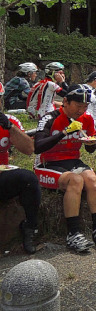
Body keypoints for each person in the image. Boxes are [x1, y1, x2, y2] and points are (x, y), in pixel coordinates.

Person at [33, 84, 96, 253]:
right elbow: (37, 146)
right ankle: (73, 234)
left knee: (91, 179)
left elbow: (89, 148)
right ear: (66, 101)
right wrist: (64, 131)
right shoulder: (50, 118)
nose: (81, 110)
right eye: (78, 106)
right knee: (75, 181)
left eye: (85, 107)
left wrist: (91, 143)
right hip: (47, 163)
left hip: (72, 160)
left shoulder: (87, 119)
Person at [0, 82, 41, 254]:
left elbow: (28, 149)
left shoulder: (9, 121)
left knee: (28, 179)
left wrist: (10, 128)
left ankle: (30, 227)